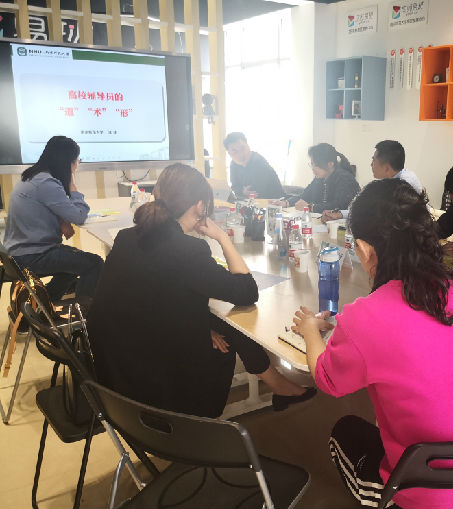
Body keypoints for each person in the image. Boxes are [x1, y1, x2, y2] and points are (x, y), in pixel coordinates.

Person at [292, 179, 453, 509]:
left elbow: (327, 380)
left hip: (432, 495)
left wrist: (310, 331)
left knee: (344, 430)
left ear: (364, 249)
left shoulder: (365, 316)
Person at [88, 164, 315, 418]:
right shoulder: (189, 251)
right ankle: (275, 383)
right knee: (229, 326)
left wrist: (203, 325)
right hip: (167, 395)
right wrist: (222, 237)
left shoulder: (126, 237)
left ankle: (275, 381)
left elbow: (150, 298)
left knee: (218, 320)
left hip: (115, 384)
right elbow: (247, 292)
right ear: (199, 206)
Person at [3, 136, 103, 308]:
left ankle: (43, 306)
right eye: (77, 160)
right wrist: (72, 185)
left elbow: (43, 208)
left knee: (72, 265)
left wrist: (61, 220)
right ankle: (85, 312)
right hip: (32, 255)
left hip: (17, 253)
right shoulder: (46, 182)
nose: (77, 165)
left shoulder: (33, 176)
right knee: (94, 263)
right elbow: (79, 216)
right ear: (68, 162)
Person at [321, 139, 423, 223]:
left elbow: (378, 214)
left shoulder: (405, 184)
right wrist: (340, 214)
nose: (371, 164)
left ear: (387, 168)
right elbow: (367, 208)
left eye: (373, 160)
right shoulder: (388, 181)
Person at [277, 143, 360, 212]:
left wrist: (311, 208)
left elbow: (340, 206)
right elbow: (304, 196)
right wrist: (286, 203)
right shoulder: (319, 178)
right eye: (312, 164)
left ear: (330, 164)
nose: (313, 168)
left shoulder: (344, 178)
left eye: (317, 165)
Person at [224, 132, 283, 199]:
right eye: (235, 151)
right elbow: (235, 187)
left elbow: (257, 193)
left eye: (242, 148)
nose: (241, 154)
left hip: (274, 202)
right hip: (252, 202)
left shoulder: (258, 161)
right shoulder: (233, 164)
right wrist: (243, 192)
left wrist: (243, 192)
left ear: (248, 145)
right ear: (229, 153)